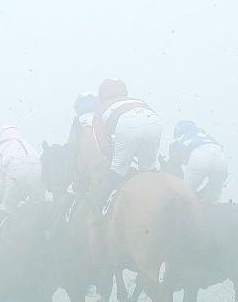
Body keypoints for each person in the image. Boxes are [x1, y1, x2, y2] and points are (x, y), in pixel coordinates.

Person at [92, 79, 163, 212]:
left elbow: (104, 147)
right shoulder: (137, 100)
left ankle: (99, 211)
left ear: (101, 96)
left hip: (127, 125)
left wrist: (113, 157)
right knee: (148, 169)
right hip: (154, 121)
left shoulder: (99, 111)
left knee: (117, 170)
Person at [0, 126, 44, 251]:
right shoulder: (27, 145)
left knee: (5, 208)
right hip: (38, 169)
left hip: (15, 171)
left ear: (1, 138)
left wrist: (6, 194)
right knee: (41, 206)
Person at [170, 121, 228, 203]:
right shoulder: (208, 137)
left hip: (199, 158)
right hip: (221, 158)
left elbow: (174, 168)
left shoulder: (176, 141)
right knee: (213, 198)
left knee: (185, 195)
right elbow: (221, 149)